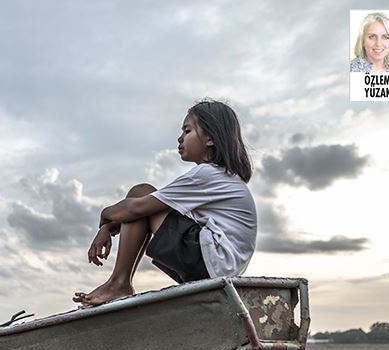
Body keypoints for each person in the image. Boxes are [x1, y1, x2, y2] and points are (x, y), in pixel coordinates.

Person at [73, 99, 256, 307]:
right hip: (215, 267)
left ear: (210, 139)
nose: (179, 139)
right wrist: (111, 226)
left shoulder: (206, 175)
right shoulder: (222, 178)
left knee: (140, 192)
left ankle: (119, 283)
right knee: (146, 202)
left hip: (210, 261)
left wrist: (105, 218)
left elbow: (137, 207)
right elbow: (146, 211)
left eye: (187, 131)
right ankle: (119, 283)